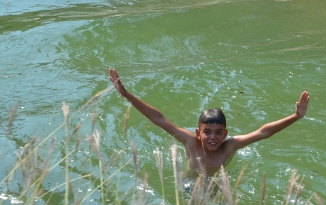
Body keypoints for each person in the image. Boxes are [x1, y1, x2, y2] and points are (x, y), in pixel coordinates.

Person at [108, 68, 309, 176]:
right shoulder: (190, 142)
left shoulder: (231, 146)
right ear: (198, 133)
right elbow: (159, 119)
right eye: (208, 132)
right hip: (190, 183)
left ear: (225, 133)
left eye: (218, 132)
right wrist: (126, 94)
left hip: (219, 183)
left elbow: (264, 132)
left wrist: (295, 117)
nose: (213, 137)